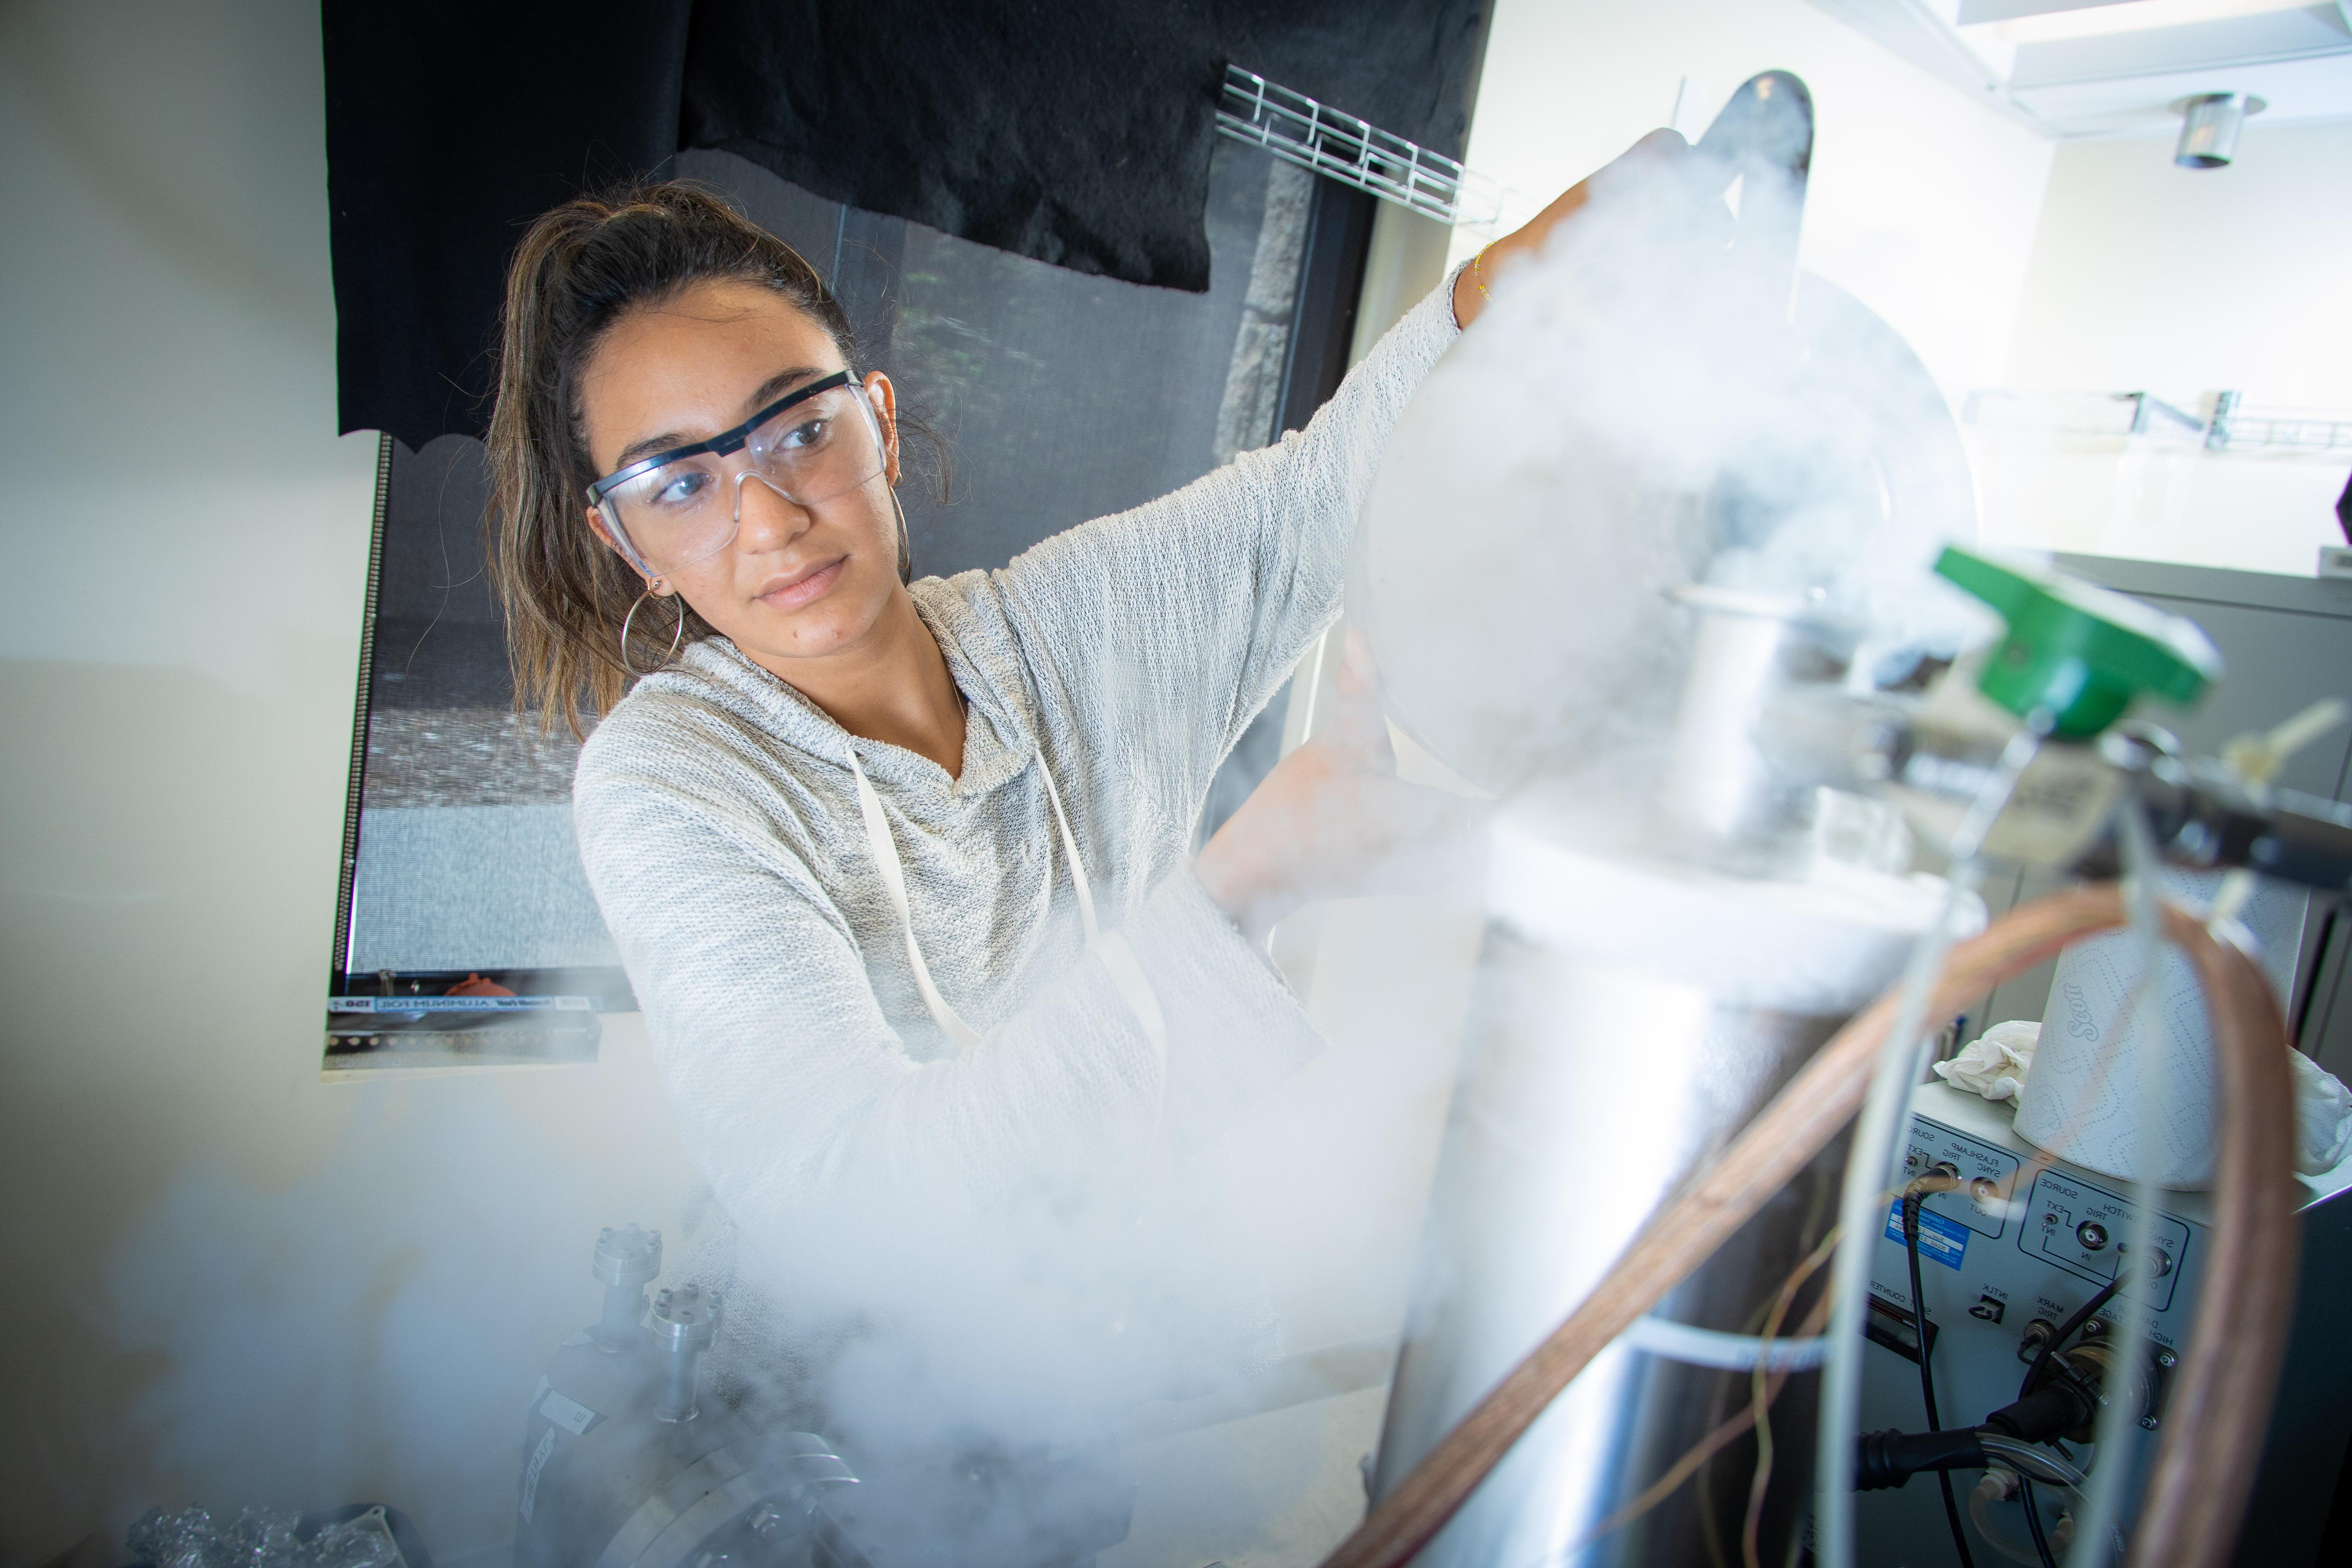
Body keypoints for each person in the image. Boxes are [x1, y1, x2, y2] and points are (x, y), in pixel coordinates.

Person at [485, 132, 1687, 1558]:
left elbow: (1325, 493)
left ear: (875, 416)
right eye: (679, 481)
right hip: (839, 1450)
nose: (768, 512)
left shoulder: (1067, 631)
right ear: (625, 545)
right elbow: (851, 1211)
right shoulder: (676, 778)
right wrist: (1246, 886)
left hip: (1130, 1372)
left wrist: (1539, 266)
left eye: (797, 426)